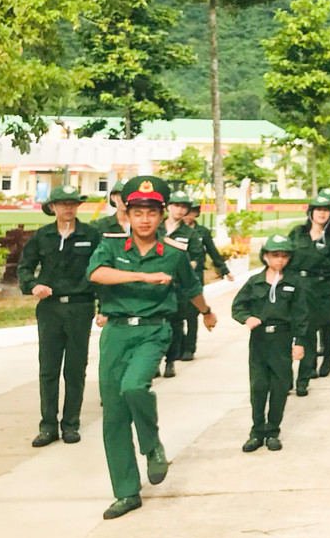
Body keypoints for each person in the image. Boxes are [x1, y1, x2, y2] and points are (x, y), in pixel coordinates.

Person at [86, 176, 213, 520]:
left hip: (153, 332)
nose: (144, 219)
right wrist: (142, 278)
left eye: (152, 212)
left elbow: (191, 288)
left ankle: (151, 442)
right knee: (113, 416)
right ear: (127, 213)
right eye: (138, 211)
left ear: (161, 215)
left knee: (134, 387)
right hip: (115, 333)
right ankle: (126, 492)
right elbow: (96, 274)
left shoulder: (173, 253)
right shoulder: (111, 246)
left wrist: (207, 312)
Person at [18, 184, 99, 447]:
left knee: (75, 368)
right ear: (52, 207)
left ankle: (71, 424)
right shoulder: (42, 236)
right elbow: (25, 267)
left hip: (80, 306)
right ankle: (48, 425)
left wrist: (105, 307)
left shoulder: (92, 234)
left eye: (73, 203)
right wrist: (32, 285)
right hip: (50, 308)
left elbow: (102, 268)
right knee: (49, 368)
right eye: (62, 203)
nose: (68, 208)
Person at [232, 235, 307, 452]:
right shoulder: (255, 282)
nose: (279, 260)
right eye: (275, 255)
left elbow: (301, 315)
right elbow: (238, 306)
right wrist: (247, 318)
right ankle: (257, 431)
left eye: (284, 256)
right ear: (265, 256)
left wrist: (299, 342)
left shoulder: (294, 283)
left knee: (279, 385)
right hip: (259, 339)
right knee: (258, 386)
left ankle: (273, 430)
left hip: (282, 339)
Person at [288, 196, 330, 396]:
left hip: (324, 289)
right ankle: (297, 379)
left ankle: (320, 364)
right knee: (303, 333)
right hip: (301, 287)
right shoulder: (298, 233)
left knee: (326, 327)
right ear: (311, 212)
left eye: (327, 210)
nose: (322, 213)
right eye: (319, 210)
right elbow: (285, 255)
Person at [178, 198, 232, 361]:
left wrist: (224, 270)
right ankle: (178, 346)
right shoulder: (174, 231)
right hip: (176, 279)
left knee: (192, 313)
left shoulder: (202, 232)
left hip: (195, 277)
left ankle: (189, 348)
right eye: (187, 212)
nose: (189, 216)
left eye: (193, 213)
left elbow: (212, 251)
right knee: (176, 314)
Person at [160, 191, 202, 378]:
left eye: (184, 207)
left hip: (177, 286)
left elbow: (196, 258)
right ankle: (154, 362)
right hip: (155, 284)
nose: (180, 209)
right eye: (176, 205)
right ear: (168, 207)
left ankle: (170, 361)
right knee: (156, 325)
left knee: (175, 325)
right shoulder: (156, 228)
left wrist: (182, 269)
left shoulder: (189, 233)